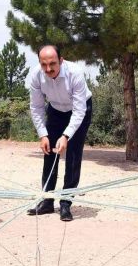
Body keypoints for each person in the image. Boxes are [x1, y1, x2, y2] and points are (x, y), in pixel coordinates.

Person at [27, 45, 92, 222]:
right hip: (55, 110)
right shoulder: (35, 75)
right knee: (49, 153)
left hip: (79, 110)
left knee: (72, 155)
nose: (48, 69)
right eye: (44, 64)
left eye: (53, 64)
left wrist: (66, 136)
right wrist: (43, 135)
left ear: (61, 60)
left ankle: (65, 203)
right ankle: (47, 201)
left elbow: (80, 111)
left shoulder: (75, 73)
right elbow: (37, 107)